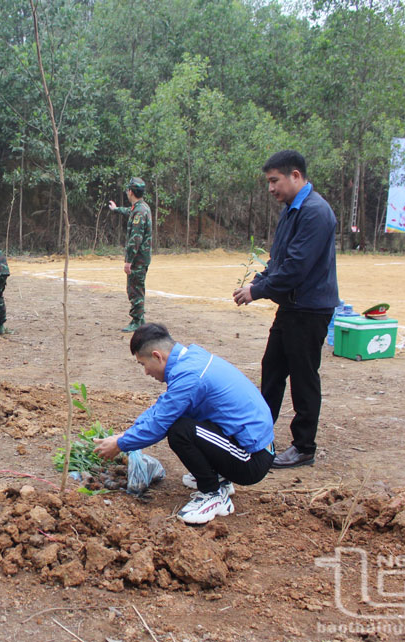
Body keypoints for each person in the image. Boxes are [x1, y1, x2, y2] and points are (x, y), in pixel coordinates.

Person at [93, 323, 275, 524]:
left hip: (252, 460)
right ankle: (220, 478)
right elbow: (161, 408)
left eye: (143, 364)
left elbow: (159, 425)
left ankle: (212, 494)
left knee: (180, 431)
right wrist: (125, 435)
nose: (145, 372)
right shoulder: (190, 360)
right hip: (245, 443)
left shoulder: (190, 376)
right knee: (182, 420)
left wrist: (120, 444)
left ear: (157, 356)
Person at [233, 150, 338, 469]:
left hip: (309, 310)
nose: (270, 188)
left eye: (274, 180)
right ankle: (259, 437)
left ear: (295, 176)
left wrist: (257, 290)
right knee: (273, 370)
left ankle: (304, 446)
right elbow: (280, 262)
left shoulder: (315, 212)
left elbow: (295, 268)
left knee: (304, 378)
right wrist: (260, 279)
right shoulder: (293, 210)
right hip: (292, 307)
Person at [108, 177, 153, 332]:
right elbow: (129, 211)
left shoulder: (139, 212)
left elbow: (136, 238)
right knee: (137, 288)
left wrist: (128, 261)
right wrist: (116, 209)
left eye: (128, 190)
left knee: (135, 290)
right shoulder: (141, 207)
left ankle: (137, 320)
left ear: (131, 192)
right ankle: (139, 318)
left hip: (138, 259)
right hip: (142, 258)